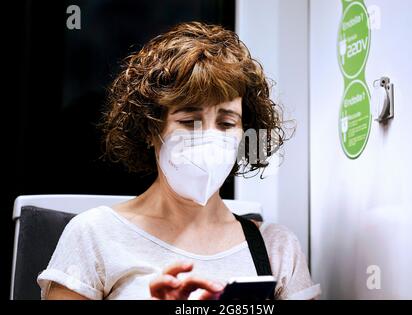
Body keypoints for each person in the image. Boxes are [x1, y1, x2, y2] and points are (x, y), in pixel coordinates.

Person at [37, 21, 320, 300]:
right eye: (189, 121)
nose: (209, 137)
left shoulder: (275, 247)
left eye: (226, 123)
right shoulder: (94, 235)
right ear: (150, 129)